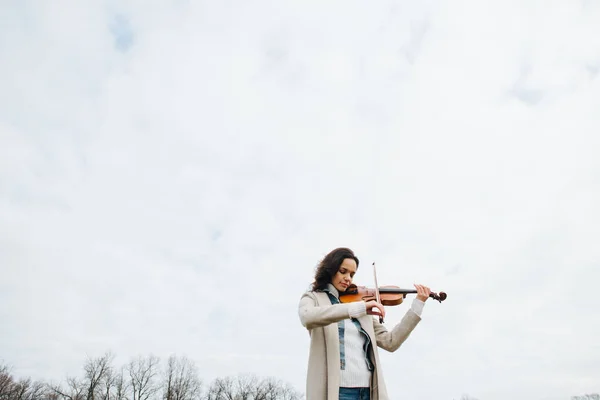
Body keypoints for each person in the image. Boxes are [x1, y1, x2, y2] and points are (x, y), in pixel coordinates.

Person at [298, 247, 431, 400]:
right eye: (343, 271)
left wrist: (417, 305)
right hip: (339, 392)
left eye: (352, 274)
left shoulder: (360, 306)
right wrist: (358, 307)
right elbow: (307, 317)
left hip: (367, 391)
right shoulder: (315, 298)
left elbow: (391, 342)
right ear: (330, 270)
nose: (348, 278)